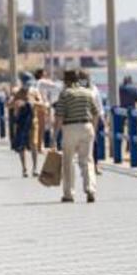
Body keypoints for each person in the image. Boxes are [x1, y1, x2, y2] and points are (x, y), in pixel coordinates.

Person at [54, 69, 102, 203]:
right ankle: (90, 189)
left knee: (68, 161)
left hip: (70, 128)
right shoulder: (87, 92)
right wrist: (94, 129)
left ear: (67, 81)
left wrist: (54, 136)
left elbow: (59, 116)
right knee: (87, 161)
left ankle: (69, 194)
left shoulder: (65, 94)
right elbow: (96, 113)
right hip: (87, 127)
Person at [79, 70, 105, 175]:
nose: (84, 80)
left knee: (94, 142)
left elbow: (99, 105)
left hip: (94, 119)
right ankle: (85, 166)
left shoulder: (94, 89)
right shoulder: (76, 90)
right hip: (80, 120)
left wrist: (102, 117)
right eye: (82, 78)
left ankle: (95, 165)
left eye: (85, 78)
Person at [8, 86, 36, 177]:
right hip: (20, 123)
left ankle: (35, 168)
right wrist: (16, 103)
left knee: (33, 144)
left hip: (32, 122)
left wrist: (33, 103)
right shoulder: (17, 93)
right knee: (21, 145)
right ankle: (24, 169)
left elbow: (43, 103)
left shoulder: (34, 92)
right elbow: (9, 105)